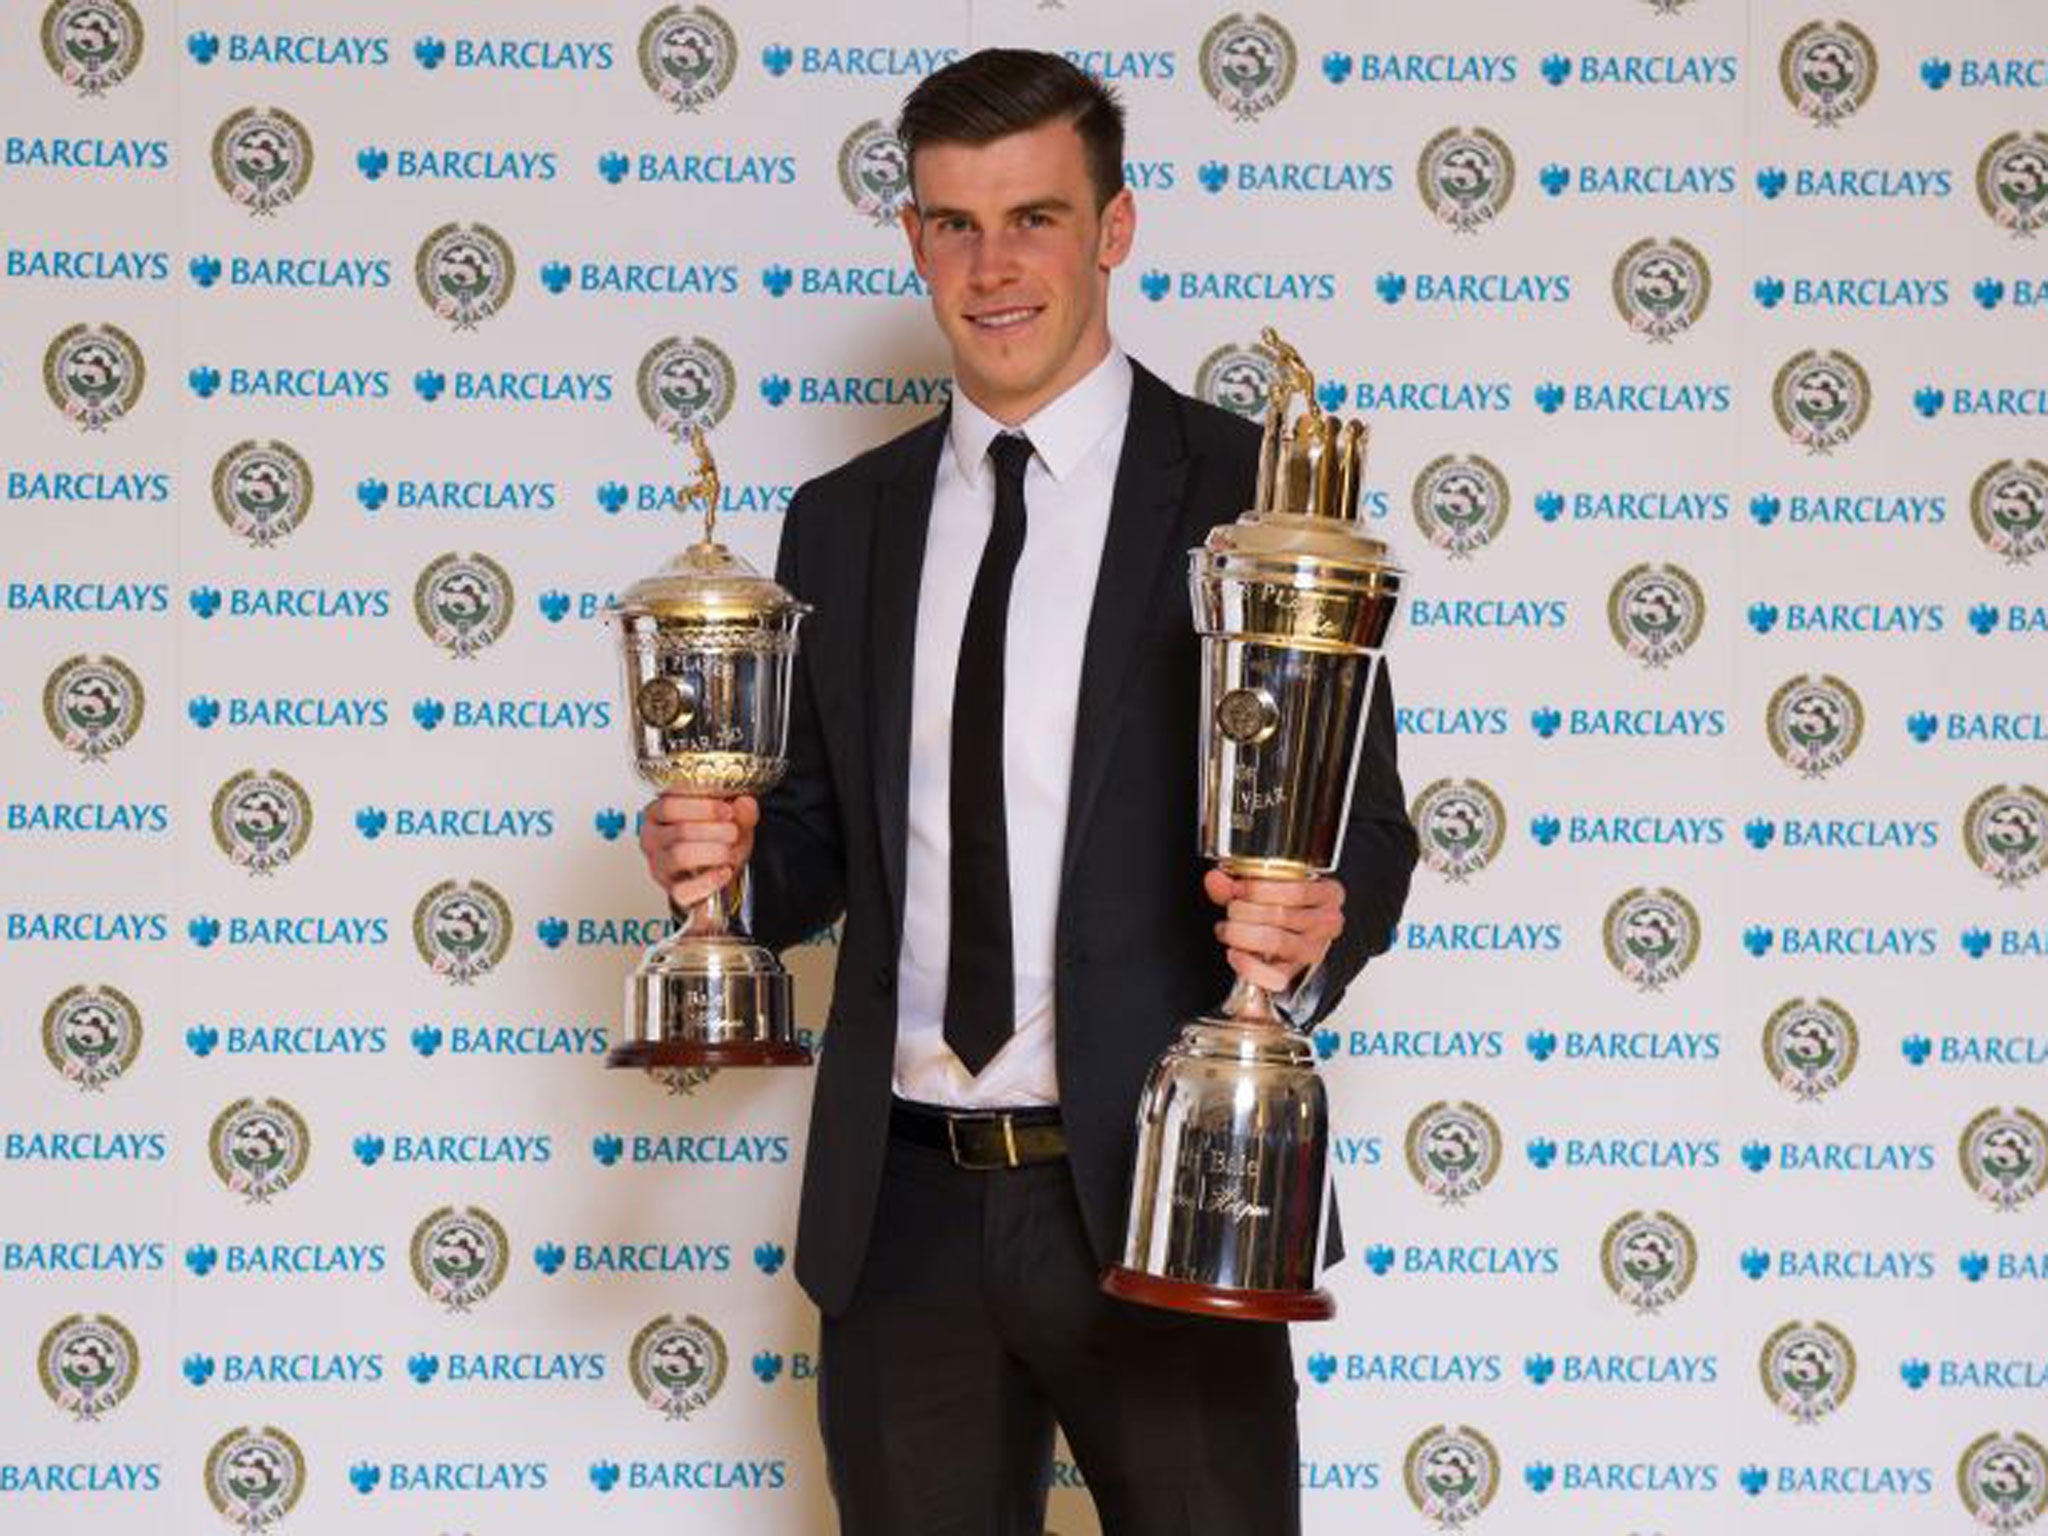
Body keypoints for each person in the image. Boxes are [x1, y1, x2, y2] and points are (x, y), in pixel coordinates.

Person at [639, 48, 1417, 1536]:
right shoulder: (842, 520)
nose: (992, 268)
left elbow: (1364, 827)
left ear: (1114, 227)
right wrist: (719, 868)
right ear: (915, 236)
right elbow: (811, 848)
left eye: (1035, 218)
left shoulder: (1253, 495)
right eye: (951, 223)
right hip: (906, 1217)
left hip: (1163, 1197)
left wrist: (1318, 923)